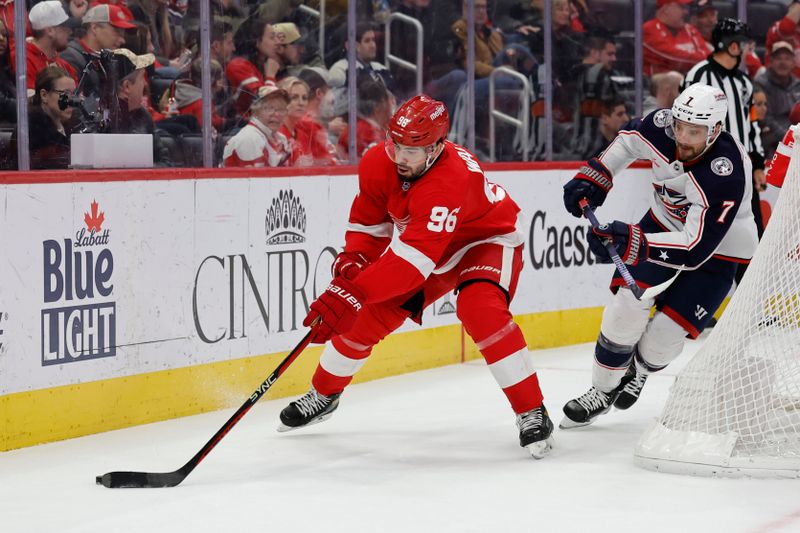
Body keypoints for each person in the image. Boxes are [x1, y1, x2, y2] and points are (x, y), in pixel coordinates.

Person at [277, 94, 554, 458]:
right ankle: (323, 394)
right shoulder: (379, 160)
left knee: (480, 309)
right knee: (365, 319)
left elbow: (411, 266)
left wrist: (354, 292)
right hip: (429, 249)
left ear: (438, 146)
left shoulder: (449, 180)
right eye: (397, 145)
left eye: (414, 150)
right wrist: (353, 262)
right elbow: (370, 225)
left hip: (484, 240)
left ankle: (531, 410)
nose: (401, 157)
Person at [559, 83, 757, 428]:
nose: (682, 136)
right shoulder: (662, 125)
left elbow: (695, 249)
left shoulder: (726, 172)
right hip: (663, 224)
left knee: (663, 338)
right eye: (680, 126)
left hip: (719, 251)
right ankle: (602, 391)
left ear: (715, 130)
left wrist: (631, 241)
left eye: (694, 132)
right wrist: (596, 176)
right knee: (625, 307)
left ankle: (640, 370)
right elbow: (626, 142)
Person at [61, 4, 135, 99]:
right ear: (95, 28)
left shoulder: (108, 59)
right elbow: (72, 108)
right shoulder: (70, 58)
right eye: (117, 32)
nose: (122, 40)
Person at [10, 0, 77, 95]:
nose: (70, 32)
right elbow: (33, 104)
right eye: (65, 28)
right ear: (50, 30)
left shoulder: (62, 63)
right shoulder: (23, 59)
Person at [222, 84, 291, 167]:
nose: (276, 114)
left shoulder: (280, 138)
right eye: (269, 108)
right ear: (255, 111)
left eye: (281, 109)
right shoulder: (250, 138)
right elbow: (257, 178)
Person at [23, 65, 76, 169]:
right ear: (44, 95)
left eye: (74, 95)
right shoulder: (32, 129)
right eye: (65, 94)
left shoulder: (69, 127)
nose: (71, 101)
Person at [643, 0, 710, 76]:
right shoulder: (649, 29)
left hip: (692, 80)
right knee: (673, 78)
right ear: (666, 9)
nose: (686, 12)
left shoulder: (690, 30)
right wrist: (702, 60)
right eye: (682, 7)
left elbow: (708, 55)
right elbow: (672, 57)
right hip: (659, 83)